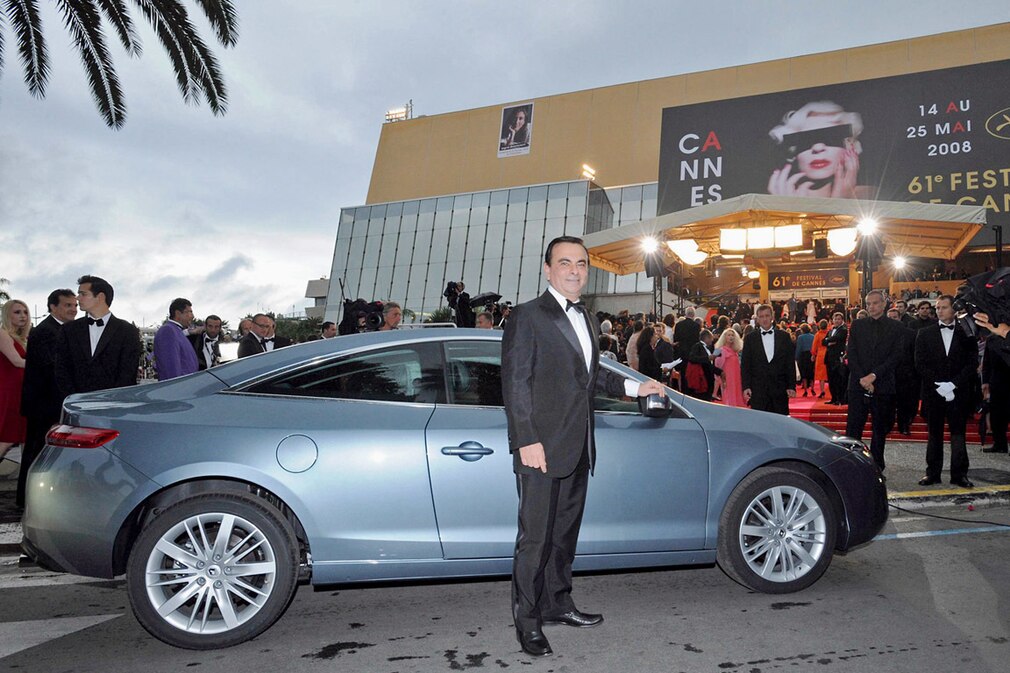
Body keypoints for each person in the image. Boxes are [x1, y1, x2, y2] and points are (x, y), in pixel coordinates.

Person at [501, 236, 663, 658]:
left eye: (581, 264)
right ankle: (527, 621)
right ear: (547, 269)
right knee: (535, 540)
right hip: (540, 448)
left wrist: (636, 387)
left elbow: (595, 376)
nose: (574, 271)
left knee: (563, 537)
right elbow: (515, 383)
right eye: (565, 263)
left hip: (578, 447)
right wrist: (526, 440)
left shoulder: (588, 318)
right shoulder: (527, 316)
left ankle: (557, 603)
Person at [17, 289, 77, 508]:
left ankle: (31, 499)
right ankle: (26, 499)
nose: (73, 309)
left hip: (49, 402)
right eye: (68, 305)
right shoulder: (46, 331)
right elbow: (53, 368)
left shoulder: (59, 330)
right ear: (53, 307)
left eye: (75, 305)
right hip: (43, 404)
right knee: (37, 453)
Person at [914, 296, 977, 488]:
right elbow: (920, 363)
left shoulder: (966, 332)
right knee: (934, 434)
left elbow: (972, 362)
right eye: (938, 307)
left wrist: (953, 384)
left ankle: (960, 475)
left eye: (944, 307)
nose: (939, 311)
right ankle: (932, 473)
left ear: (954, 310)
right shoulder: (925, 333)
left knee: (958, 434)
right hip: (934, 393)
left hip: (959, 392)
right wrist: (939, 385)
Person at [844, 290, 904, 475]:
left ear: (884, 304)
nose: (871, 307)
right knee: (853, 429)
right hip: (858, 384)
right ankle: (852, 467)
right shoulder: (857, 325)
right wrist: (863, 378)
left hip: (883, 385)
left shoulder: (896, 327)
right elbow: (852, 354)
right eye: (868, 303)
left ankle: (877, 467)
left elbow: (896, 356)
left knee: (880, 429)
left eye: (875, 303)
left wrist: (873, 376)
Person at [55, 275, 142, 398]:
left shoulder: (127, 331)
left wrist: (110, 401)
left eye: (83, 294)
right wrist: (75, 399)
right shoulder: (68, 330)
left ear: (100, 297)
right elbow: (62, 370)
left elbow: (128, 373)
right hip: (75, 403)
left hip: (112, 403)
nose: (77, 298)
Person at [767, 100, 865, 199]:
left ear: (850, 145)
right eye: (805, 140)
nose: (818, 148)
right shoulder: (765, 201)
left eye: (831, 138)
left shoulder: (869, 197)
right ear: (793, 152)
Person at [740, 304, 796, 415]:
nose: (764, 319)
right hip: (758, 389)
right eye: (761, 316)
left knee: (780, 421)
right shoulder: (750, 339)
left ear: (772, 317)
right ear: (757, 319)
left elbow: (789, 363)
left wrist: (791, 386)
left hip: (780, 388)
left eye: (767, 316)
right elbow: (746, 365)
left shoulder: (784, 337)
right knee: (760, 421)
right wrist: (746, 386)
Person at [0, 299, 31, 463]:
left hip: (22, 391)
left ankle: (25, 475)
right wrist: (42, 366)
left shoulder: (22, 338)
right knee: (7, 437)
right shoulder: (2, 334)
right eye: (17, 312)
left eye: (25, 312)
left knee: (25, 436)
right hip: (10, 391)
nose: (23, 316)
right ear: (7, 315)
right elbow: (16, 361)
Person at [153, 298, 199, 381]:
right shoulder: (168, 331)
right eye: (189, 312)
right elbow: (171, 370)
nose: (192, 316)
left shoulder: (176, 331)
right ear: (178, 313)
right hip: (180, 386)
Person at [685, 329, 719, 401]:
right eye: (711, 338)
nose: (712, 340)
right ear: (707, 338)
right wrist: (707, 358)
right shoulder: (697, 346)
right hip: (701, 380)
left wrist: (719, 371)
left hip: (707, 378)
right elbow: (692, 358)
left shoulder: (707, 348)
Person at [714, 328, 745, 407]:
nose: (731, 337)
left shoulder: (735, 351)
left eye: (732, 335)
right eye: (729, 335)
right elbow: (717, 366)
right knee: (728, 396)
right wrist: (721, 378)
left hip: (736, 377)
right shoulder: (720, 350)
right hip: (727, 378)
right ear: (724, 337)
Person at [822, 312, 848, 405]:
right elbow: (823, 342)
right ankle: (833, 398)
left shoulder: (843, 330)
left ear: (842, 320)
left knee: (838, 379)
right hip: (829, 358)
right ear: (832, 320)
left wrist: (828, 340)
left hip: (837, 358)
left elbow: (837, 338)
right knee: (831, 379)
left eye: (839, 319)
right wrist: (829, 341)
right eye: (835, 319)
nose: (836, 321)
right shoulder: (830, 331)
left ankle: (840, 399)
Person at [810, 319, 830, 398]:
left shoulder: (817, 334)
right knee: (829, 372)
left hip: (820, 355)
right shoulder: (829, 333)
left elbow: (814, 346)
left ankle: (822, 391)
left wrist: (813, 354)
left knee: (821, 375)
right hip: (829, 353)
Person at [795, 323, 815, 396]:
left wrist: (796, 357)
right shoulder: (813, 336)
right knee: (811, 372)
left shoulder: (800, 337)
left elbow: (799, 348)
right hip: (811, 355)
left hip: (803, 356)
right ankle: (812, 389)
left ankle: (805, 390)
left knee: (804, 374)